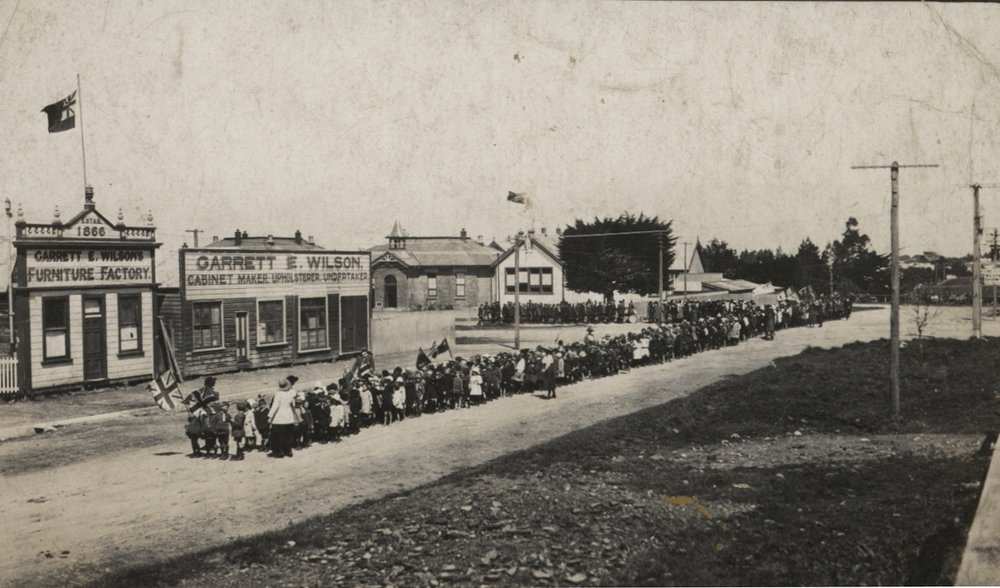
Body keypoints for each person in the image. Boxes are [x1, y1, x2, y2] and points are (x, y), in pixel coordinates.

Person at [268, 378, 298, 458]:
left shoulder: (278, 394)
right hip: (289, 414)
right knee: (288, 435)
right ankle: (288, 451)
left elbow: (275, 406)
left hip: (279, 416)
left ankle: (280, 451)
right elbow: (294, 404)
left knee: (279, 435)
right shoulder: (292, 392)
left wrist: (270, 416)